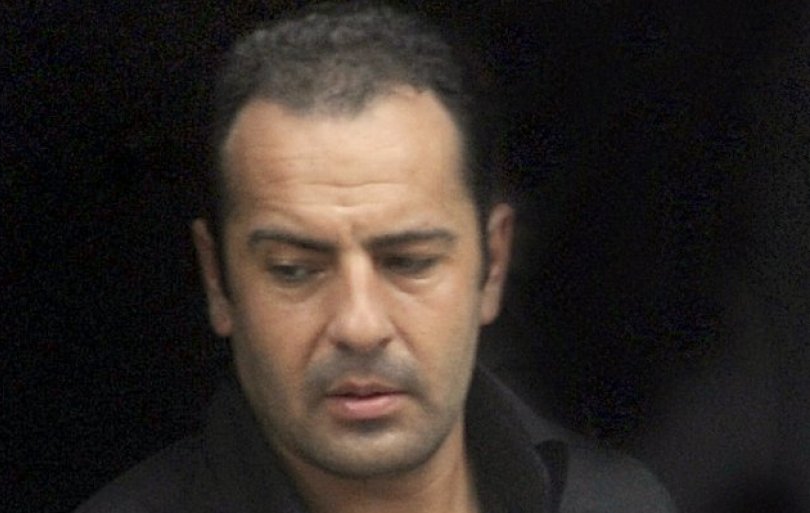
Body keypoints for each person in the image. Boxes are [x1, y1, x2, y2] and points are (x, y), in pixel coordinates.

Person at [75, 3, 676, 512]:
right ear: (218, 280)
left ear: (492, 266)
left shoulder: (618, 501)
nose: (360, 325)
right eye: (294, 270)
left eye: (410, 262)